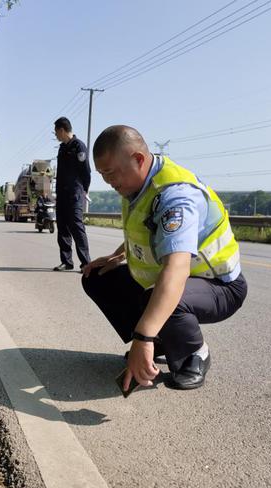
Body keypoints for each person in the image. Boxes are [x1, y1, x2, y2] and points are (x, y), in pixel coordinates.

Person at [82, 125, 247, 390]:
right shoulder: (134, 183)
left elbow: (176, 270)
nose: (107, 182)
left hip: (219, 286)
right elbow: (144, 231)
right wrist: (116, 257)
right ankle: (159, 337)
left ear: (137, 159)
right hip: (180, 281)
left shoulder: (175, 197)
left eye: (110, 173)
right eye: (102, 174)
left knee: (157, 295)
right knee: (98, 278)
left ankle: (194, 354)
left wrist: (142, 337)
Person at [53, 117, 91, 272]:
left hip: (75, 193)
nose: (56, 136)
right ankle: (66, 261)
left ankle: (86, 263)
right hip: (61, 194)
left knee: (76, 227)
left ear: (62, 130)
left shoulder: (78, 146)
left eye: (56, 132)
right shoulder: (62, 148)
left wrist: (84, 189)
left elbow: (86, 171)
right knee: (62, 228)